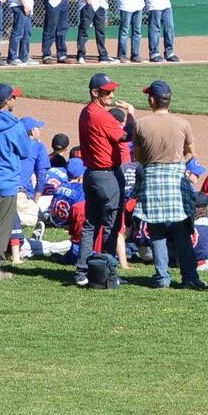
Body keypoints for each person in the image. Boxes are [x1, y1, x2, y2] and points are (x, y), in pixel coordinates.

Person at [133, 79, 206, 291]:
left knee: (156, 231)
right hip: (175, 176)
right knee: (182, 229)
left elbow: (138, 155)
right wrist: (179, 162)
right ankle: (190, 277)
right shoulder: (182, 123)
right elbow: (191, 151)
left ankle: (162, 277)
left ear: (151, 99)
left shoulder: (141, 123)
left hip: (152, 176)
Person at [75, 72, 134, 288]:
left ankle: (82, 272)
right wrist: (131, 114)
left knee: (91, 224)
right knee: (111, 225)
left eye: (111, 90)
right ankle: (108, 273)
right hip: (107, 176)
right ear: (95, 92)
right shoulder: (102, 116)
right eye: (106, 91)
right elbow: (127, 136)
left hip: (91, 174)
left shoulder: (86, 112)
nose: (111, 94)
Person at [0, 82, 39, 281]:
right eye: (14, 97)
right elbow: (26, 152)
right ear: (7, 101)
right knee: (2, 226)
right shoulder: (15, 125)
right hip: (6, 181)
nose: (15, 100)